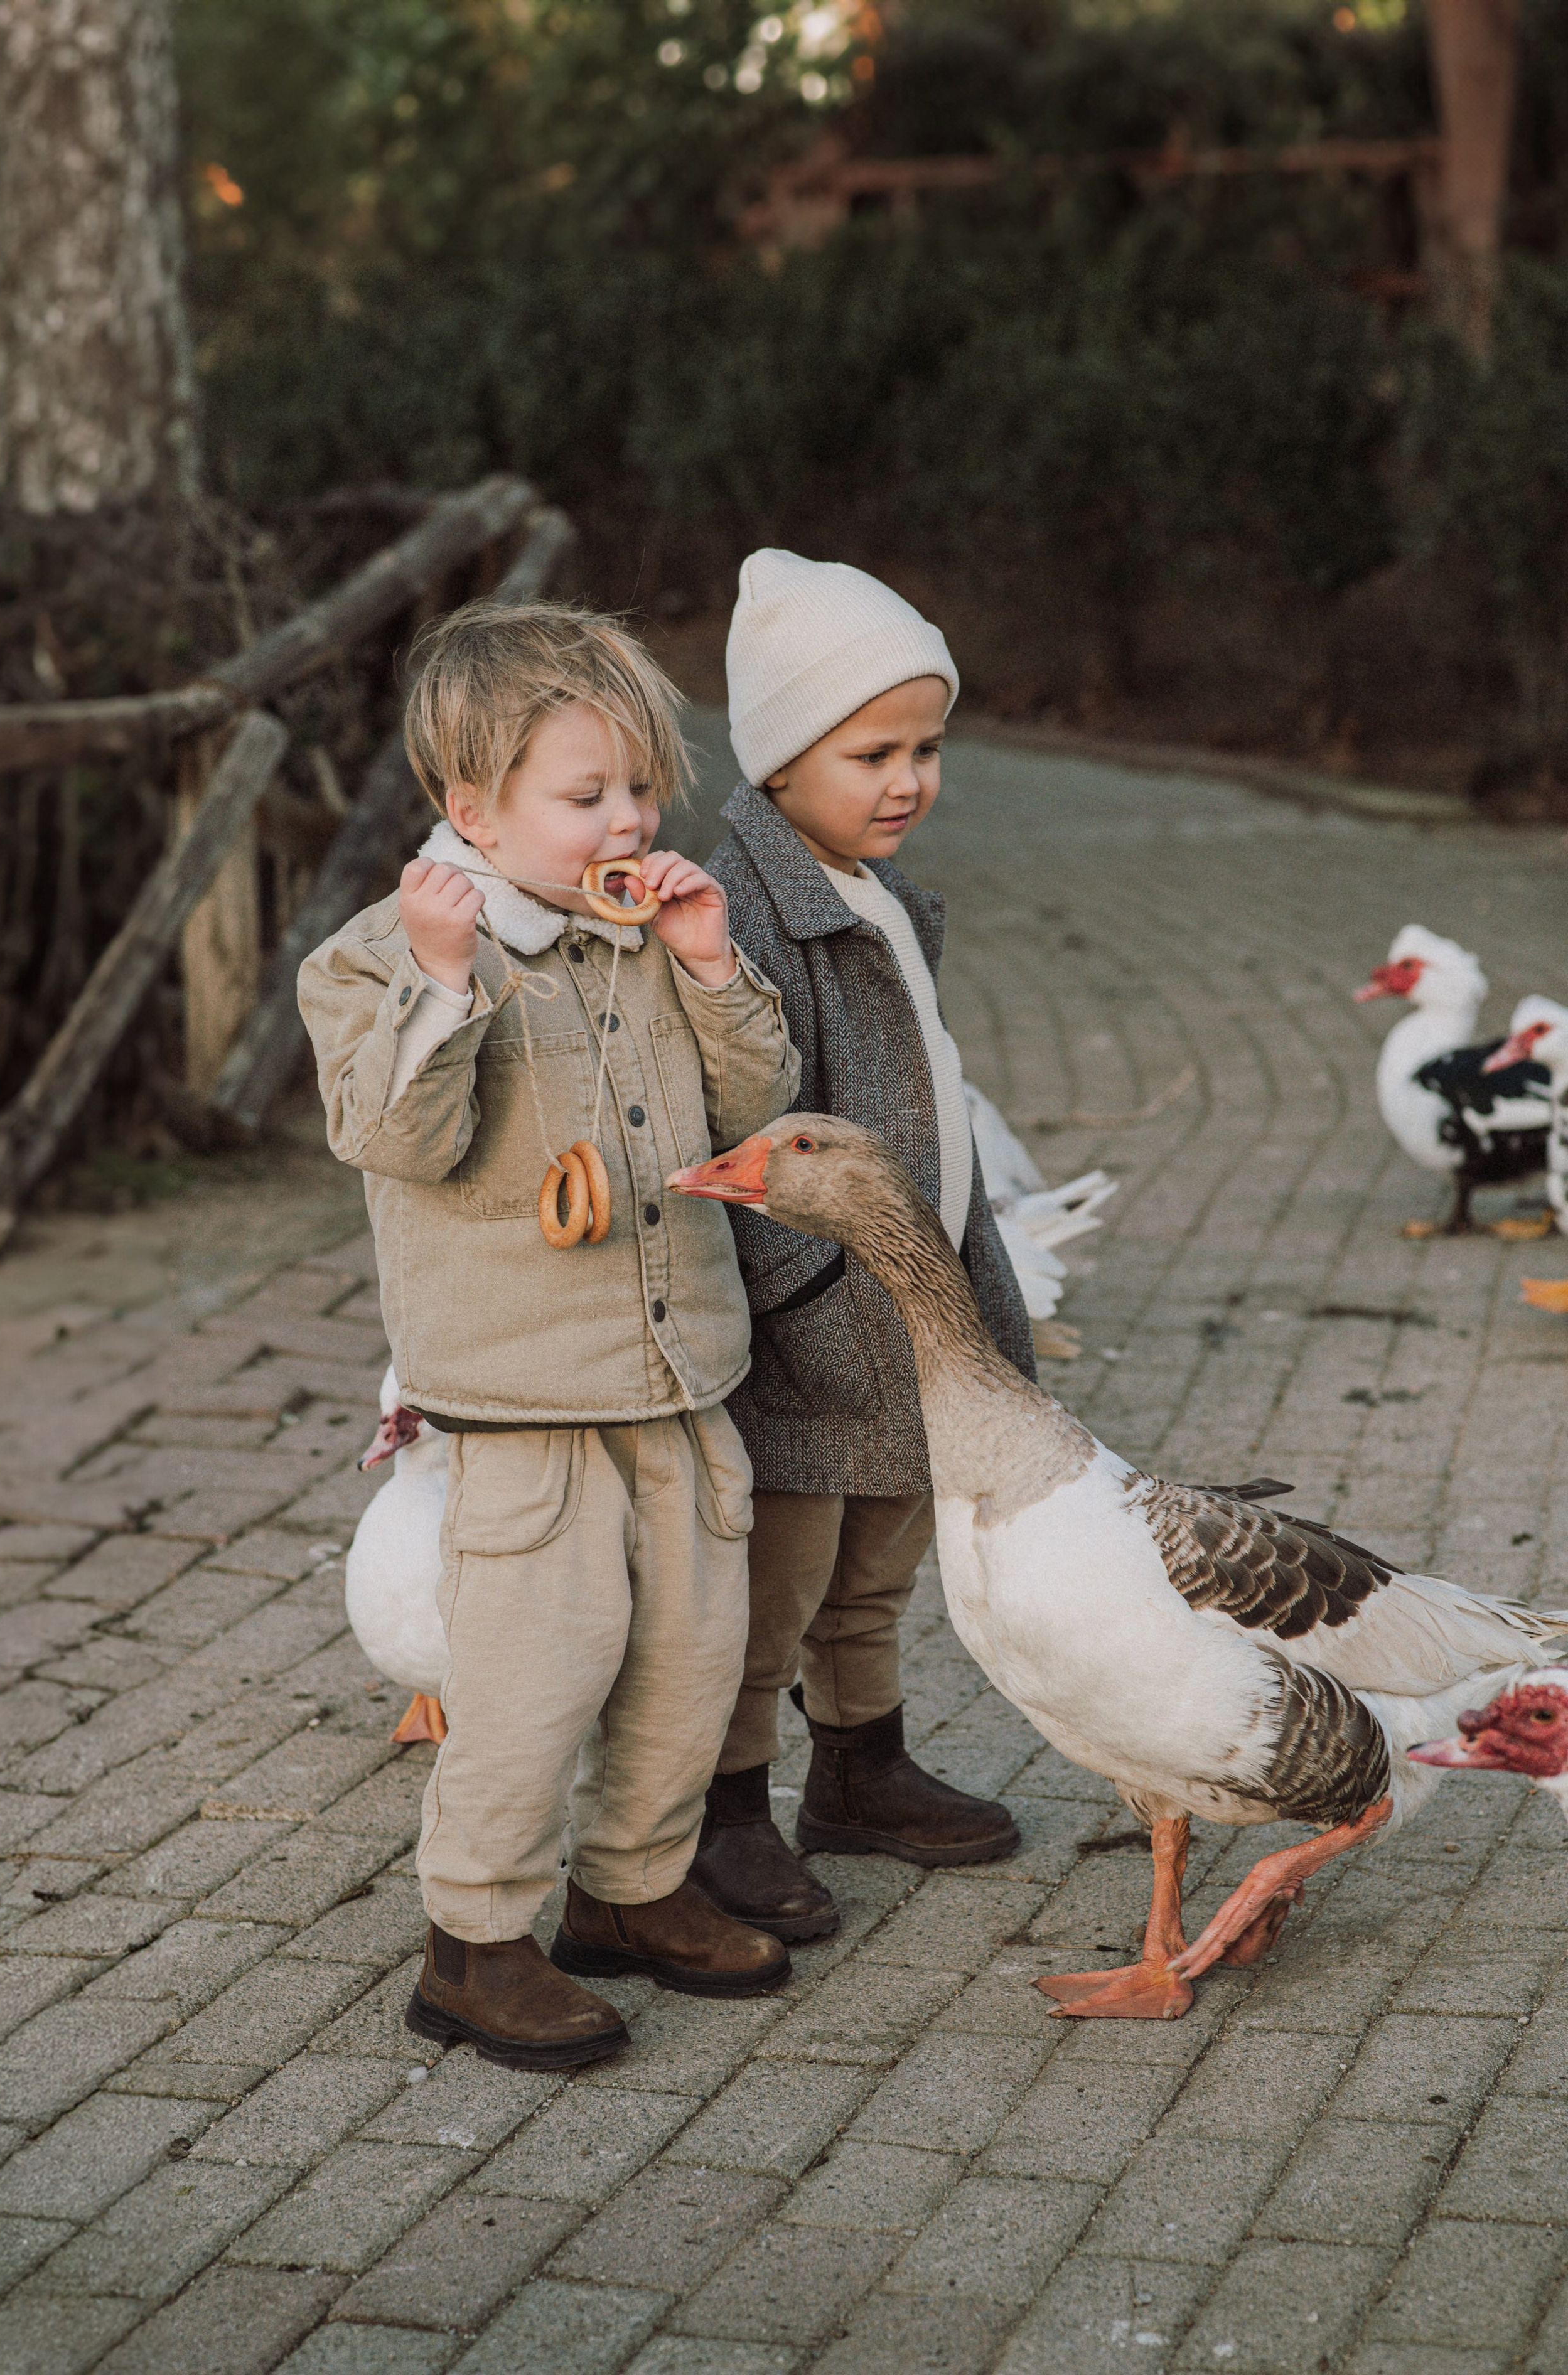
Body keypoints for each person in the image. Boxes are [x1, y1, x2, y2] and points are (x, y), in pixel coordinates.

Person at [298, 598, 801, 2068]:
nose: (627, 817)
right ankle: (473, 1939)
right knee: (536, 1670)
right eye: (585, 796)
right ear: (472, 809)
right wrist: (444, 981)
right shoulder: (377, 956)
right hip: (524, 1395)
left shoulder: (640, 932)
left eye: (639, 786)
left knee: (692, 1653)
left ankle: (630, 1890)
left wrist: (711, 963)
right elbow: (396, 1136)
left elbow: (748, 1107)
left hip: (677, 1367)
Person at [690, 550, 1038, 1942]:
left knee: (879, 1550)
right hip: (813, 1305)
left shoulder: (867, 881)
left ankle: (861, 1762)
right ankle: (723, 1808)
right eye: (871, 751)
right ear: (779, 755)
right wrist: (813, 1278)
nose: (907, 780)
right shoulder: (749, 904)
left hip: (908, 1286)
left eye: (927, 747)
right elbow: (746, 1110)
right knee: (778, 1569)